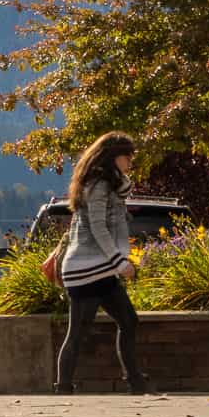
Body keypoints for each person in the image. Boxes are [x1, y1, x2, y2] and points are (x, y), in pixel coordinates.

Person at [54, 131, 148, 395]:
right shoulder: (98, 184)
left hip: (103, 269)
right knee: (78, 331)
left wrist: (120, 259)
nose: (130, 161)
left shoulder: (113, 185)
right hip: (85, 269)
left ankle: (136, 383)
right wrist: (119, 261)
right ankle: (63, 388)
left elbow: (112, 224)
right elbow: (97, 226)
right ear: (113, 156)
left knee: (129, 320)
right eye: (127, 156)